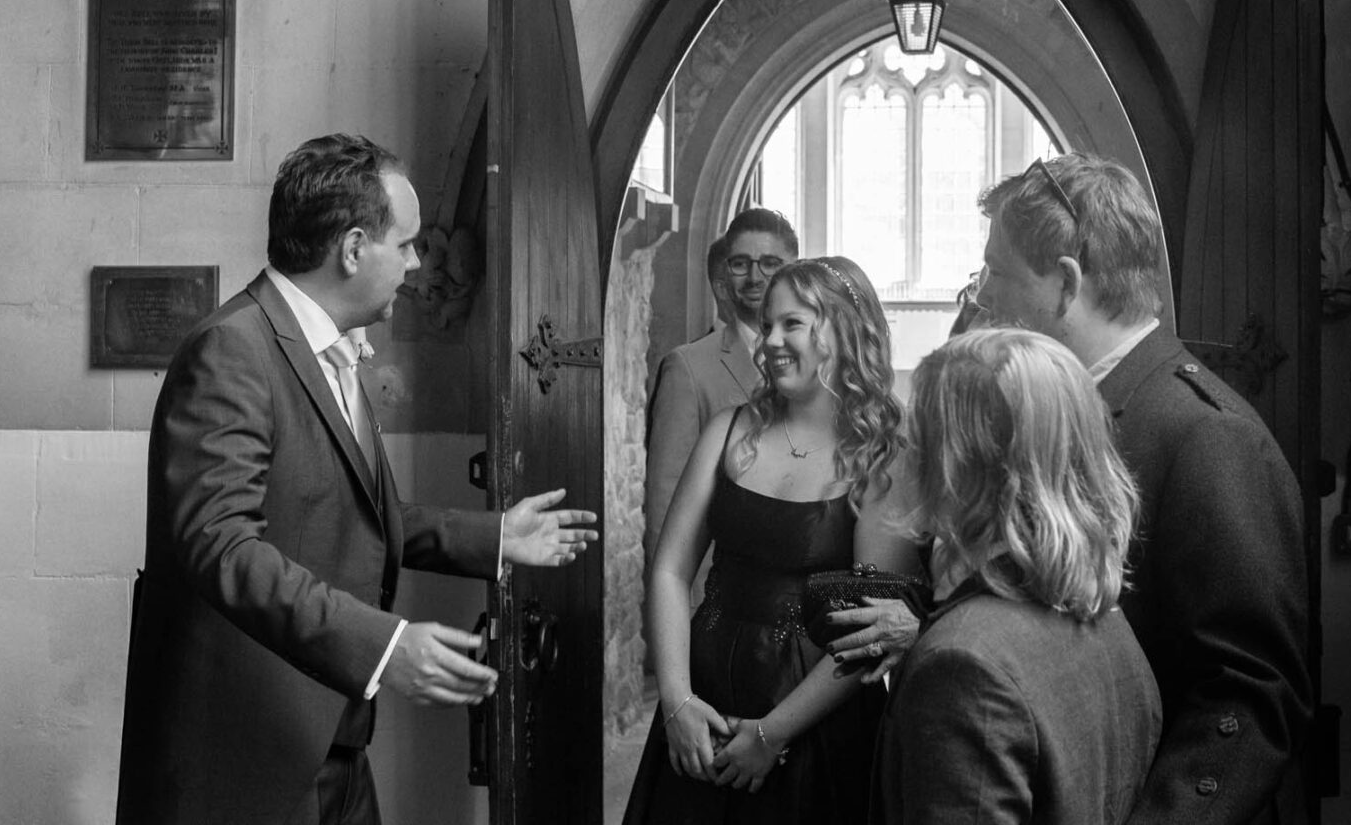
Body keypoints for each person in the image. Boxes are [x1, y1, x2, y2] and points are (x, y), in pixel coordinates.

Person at [115, 134, 598, 825]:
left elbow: (351, 510)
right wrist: (385, 646)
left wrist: (494, 537)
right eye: (404, 245)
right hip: (244, 760)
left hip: (332, 742)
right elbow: (219, 544)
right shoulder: (233, 350)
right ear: (351, 248)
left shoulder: (329, 350)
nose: (415, 263)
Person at [966, 152, 1311, 825]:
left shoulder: (1209, 439)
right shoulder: (1066, 413)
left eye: (998, 272)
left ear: (1066, 284)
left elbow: (1248, 701)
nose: (982, 295)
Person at [623, 256, 922, 824]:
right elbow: (669, 571)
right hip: (703, 704)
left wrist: (771, 734)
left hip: (816, 727)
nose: (771, 341)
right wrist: (676, 702)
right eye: (767, 325)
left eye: (794, 324)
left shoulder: (883, 458)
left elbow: (868, 631)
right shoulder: (729, 429)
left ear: (844, 330)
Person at [871, 328, 1161, 825]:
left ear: (958, 466)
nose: (906, 451)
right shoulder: (1102, 614)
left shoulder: (964, 667)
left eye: (920, 436)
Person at [644, 209, 799, 574]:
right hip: (718, 598)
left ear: (796, 269)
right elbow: (666, 511)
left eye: (770, 263)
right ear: (724, 274)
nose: (755, 277)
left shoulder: (817, 361)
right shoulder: (688, 368)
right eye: (741, 264)